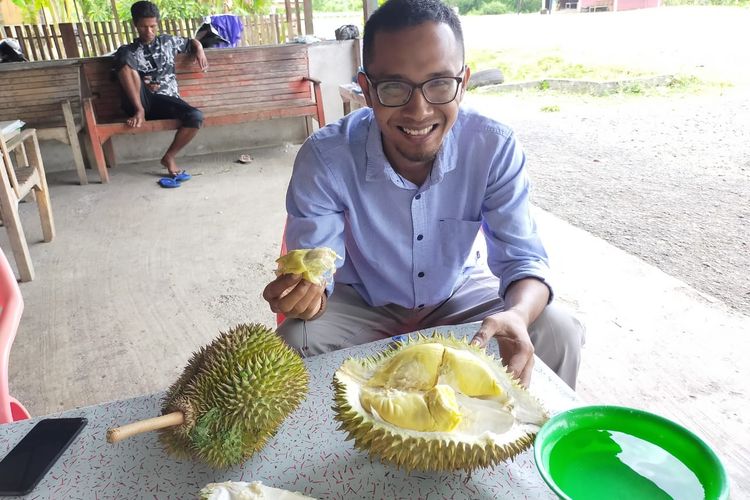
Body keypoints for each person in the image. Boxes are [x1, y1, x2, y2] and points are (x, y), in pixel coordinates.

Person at [263, 0, 585, 389]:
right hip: (362, 302)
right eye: (394, 87)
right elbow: (315, 269)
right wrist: (304, 294)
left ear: (462, 83)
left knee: (558, 330)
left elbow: (524, 259)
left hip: (457, 294)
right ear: (366, 90)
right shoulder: (326, 158)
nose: (419, 110)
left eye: (439, 84)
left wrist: (517, 313)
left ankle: (527, 445)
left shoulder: (492, 148)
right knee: (290, 346)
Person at [113, 1, 208, 178]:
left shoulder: (169, 42)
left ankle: (169, 157)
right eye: (143, 27)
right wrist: (141, 86)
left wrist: (200, 48)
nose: (148, 32)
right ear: (135, 25)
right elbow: (121, 74)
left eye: (152, 26)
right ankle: (139, 111)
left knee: (196, 116)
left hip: (166, 101)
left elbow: (191, 42)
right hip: (138, 102)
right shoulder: (128, 51)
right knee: (123, 55)